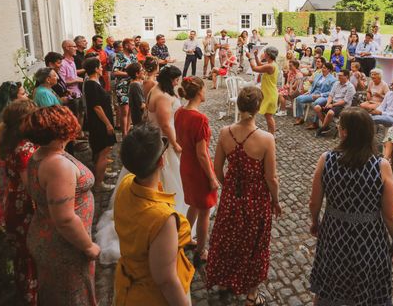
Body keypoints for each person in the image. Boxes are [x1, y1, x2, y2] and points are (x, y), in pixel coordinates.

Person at [309, 107, 393, 305]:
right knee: (367, 287)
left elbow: (314, 201)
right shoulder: (381, 165)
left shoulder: (326, 159)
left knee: (328, 284)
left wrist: (314, 222)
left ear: (345, 132)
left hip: (334, 231)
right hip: (369, 236)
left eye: (340, 126)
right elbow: (391, 214)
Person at [206, 87, 281, 305]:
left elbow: (217, 168)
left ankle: (225, 278)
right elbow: (271, 178)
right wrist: (275, 200)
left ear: (239, 105)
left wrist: (228, 186)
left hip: (231, 197)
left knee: (227, 238)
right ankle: (251, 294)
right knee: (255, 243)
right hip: (256, 199)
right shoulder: (266, 139)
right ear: (258, 108)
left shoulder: (224, 132)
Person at [23, 106, 99, 306]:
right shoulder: (57, 165)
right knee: (73, 297)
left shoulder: (40, 154)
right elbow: (64, 219)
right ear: (62, 130)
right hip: (65, 245)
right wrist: (88, 246)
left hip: (45, 233)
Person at [113, 125, 194, 305]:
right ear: (161, 161)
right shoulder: (163, 219)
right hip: (151, 296)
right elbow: (165, 280)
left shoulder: (126, 183)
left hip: (127, 283)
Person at [0, 99, 39, 305]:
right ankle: (33, 297)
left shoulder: (8, 141)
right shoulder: (25, 148)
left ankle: (25, 293)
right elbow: (31, 186)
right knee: (31, 255)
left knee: (21, 256)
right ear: (25, 121)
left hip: (13, 206)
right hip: (25, 208)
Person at [174, 77, 218, 267]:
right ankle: (201, 251)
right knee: (204, 212)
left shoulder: (179, 112)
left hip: (185, 164)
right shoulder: (200, 119)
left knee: (193, 205)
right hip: (199, 169)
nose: (205, 92)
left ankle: (183, 238)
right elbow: (202, 154)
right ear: (199, 92)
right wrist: (212, 177)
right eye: (205, 89)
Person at [147, 65, 187, 215]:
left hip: (156, 136)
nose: (177, 83)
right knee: (168, 173)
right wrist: (175, 143)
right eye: (176, 80)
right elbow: (164, 124)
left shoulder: (155, 89)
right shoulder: (163, 97)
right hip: (164, 140)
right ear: (169, 80)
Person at [83, 57, 117, 190]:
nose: (102, 68)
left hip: (100, 121)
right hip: (99, 123)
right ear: (96, 69)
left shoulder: (95, 82)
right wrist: (108, 124)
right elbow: (97, 107)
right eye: (100, 66)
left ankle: (102, 173)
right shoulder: (91, 84)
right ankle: (99, 183)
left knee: (101, 151)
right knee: (104, 151)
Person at [313, 69, 356, 135]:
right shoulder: (336, 83)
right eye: (338, 75)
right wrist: (328, 103)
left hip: (342, 106)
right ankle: (326, 126)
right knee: (317, 107)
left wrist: (332, 105)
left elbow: (345, 101)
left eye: (341, 75)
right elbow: (331, 95)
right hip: (333, 102)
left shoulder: (350, 87)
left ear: (346, 76)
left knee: (330, 113)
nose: (338, 77)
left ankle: (322, 128)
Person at [247, 46, 279, 135]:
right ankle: (270, 133)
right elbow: (260, 65)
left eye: (264, 52)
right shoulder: (272, 64)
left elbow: (254, 68)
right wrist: (256, 56)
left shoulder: (270, 66)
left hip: (270, 93)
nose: (263, 53)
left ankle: (271, 135)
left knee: (268, 116)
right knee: (268, 115)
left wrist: (250, 57)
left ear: (268, 55)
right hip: (269, 92)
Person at [113, 38, 138, 137]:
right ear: (126, 45)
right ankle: (124, 135)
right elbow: (115, 72)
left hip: (132, 86)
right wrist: (129, 73)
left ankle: (128, 132)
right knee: (125, 111)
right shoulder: (119, 56)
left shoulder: (133, 56)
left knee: (131, 110)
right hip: (122, 86)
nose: (134, 46)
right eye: (132, 44)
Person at [126, 62, 146, 127]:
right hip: (140, 119)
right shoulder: (135, 85)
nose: (144, 71)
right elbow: (142, 105)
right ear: (137, 74)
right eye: (142, 70)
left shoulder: (137, 83)